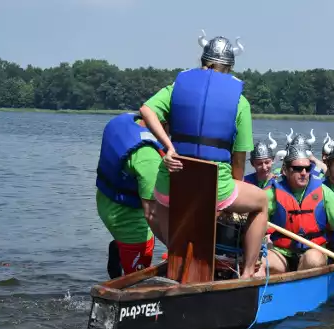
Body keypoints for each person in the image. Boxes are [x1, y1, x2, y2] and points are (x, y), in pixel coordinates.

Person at [138, 29, 267, 279]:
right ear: (229, 67)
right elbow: (239, 158)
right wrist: (232, 195)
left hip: (172, 183)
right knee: (261, 202)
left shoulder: (176, 88)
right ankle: (248, 272)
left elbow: (146, 110)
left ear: (202, 62)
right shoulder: (240, 102)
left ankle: (177, 256)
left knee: (154, 207)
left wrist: (169, 147)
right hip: (214, 186)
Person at [261, 144, 334, 273]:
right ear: (285, 170)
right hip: (282, 253)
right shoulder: (272, 193)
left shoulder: (323, 191)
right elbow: (256, 221)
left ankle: (297, 286)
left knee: (313, 259)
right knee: (260, 262)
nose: (304, 173)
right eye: (298, 169)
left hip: (314, 250)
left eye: (307, 168)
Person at [95, 113, 164, 278]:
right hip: (127, 219)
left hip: (106, 201)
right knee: (136, 279)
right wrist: (175, 246)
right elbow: (152, 214)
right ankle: (120, 293)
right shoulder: (148, 158)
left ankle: (120, 249)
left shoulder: (122, 122)